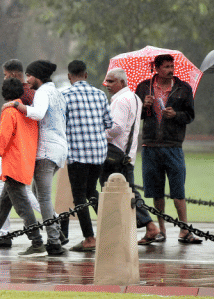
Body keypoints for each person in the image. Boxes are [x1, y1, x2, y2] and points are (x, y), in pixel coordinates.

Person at [0, 78, 45, 255]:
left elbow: (2, 140)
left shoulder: (10, 111)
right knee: (3, 206)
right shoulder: (28, 112)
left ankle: (37, 243)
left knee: (23, 207)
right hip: (25, 164)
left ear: (4, 93)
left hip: (13, 166)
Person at [134, 54, 200, 243]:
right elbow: (135, 115)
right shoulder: (144, 87)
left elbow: (190, 115)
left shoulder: (183, 88)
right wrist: (143, 106)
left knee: (178, 189)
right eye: (166, 67)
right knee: (156, 191)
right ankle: (161, 229)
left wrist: (176, 114)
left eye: (172, 66)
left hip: (173, 145)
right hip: (150, 145)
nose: (171, 70)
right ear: (156, 68)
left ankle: (184, 230)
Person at [5, 59, 67, 257]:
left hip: (46, 150)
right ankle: (56, 232)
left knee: (43, 197)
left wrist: (16, 105)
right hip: (59, 149)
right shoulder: (56, 92)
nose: (27, 79)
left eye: (30, 75)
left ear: (38, 76)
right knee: (37, 192)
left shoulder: (42, 93)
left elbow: (38, 114)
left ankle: (54, 241)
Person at [101, 68, 163, 244]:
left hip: (115, 155)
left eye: (111, 81)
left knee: (117, 193)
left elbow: (117, 128)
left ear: (122, 82)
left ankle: (147, 227)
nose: (107, 85)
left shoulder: (120, 101)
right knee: (128, 192)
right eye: (107, 81)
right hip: (127, 154)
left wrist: (98, 133)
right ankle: (146, 227)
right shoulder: (135, 98)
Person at [62, 60, 112, 252]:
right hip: (98, 153)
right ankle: (110, 230)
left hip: (78, 154)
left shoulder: (64, 95)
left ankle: (89, 238)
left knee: (79, 197)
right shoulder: (100, 94)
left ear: (69, 76)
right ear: (86, 74)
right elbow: (109, 123)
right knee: (91, 191)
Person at [0, 60, 41, 248]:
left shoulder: (18, 102)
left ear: (12, 75)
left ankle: (41, 235)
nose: (4, 79)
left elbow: (3, 138)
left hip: (13, 156)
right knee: (6, 200)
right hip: (23, 154)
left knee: (23, 200)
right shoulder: (30, 95)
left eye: (5, 75)